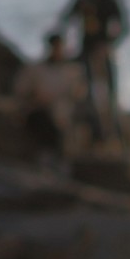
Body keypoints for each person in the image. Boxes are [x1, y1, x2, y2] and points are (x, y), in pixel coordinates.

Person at [53, 0, 130, 143]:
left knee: (111, 94)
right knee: (87, 94)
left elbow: (124, 27)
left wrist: (110, 44)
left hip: (104, 52)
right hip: (86, 51)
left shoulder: (110, 0)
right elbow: (65, 19)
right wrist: (62, 46)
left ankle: (115, 133)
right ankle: (96, 132)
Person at [15, 32, 83, 164]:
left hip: (63, 113)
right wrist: (35, 98)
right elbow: (21, 91)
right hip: (39, 111)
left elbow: (79, 93)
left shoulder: (72, 71)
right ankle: (47, 158)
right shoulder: (36, 69)